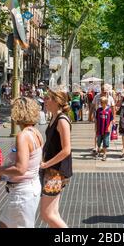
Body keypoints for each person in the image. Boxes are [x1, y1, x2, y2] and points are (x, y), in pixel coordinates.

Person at [0, 97, 43, 228]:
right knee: (4, 224)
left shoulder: (23, 136)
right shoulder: (36, 133)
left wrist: (1, 170)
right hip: (29, 186)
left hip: (22, 192)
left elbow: (21, 168)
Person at [40, 88, 72, 228]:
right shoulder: (54, 117)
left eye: (48, 98)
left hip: (56, 171)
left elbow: (66, 150)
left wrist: (46, 164)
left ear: (56, 101)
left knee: (47, 214)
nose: (45, 101)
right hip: (52, 169)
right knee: (53, 213)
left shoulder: (62, 120)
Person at [95, 96, 114, 161]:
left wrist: (109, 127)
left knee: (105, 142)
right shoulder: (98, 110)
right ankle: (98, 150)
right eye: (100, 102)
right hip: (100, 129)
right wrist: (96, 128)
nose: (101, 103)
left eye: (102, 102)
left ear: (106, 103)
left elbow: (111, 119)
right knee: (99, 141)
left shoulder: (109, 111)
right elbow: (96, 120)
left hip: (106, 129)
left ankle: (104, 154)